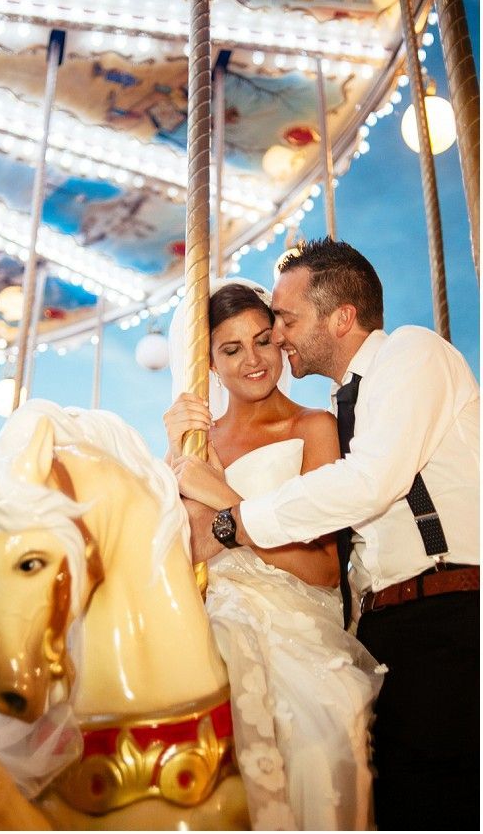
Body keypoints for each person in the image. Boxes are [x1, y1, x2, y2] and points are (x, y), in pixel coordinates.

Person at [172, 241, 479, 832]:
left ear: (340, 317)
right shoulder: (346, 408)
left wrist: (232, 519)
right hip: (383, 624)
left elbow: (368, 483)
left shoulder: (411, 355)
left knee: (435, 798)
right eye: (235, 346)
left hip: (446, 604)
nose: (278, 338)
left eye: (284, 322)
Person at [165, 279, 385, 831]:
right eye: (231, 350)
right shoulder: (199, 444)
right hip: (213, 608)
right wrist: (174, 457)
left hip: (295, 619)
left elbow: (322, 569)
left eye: (263, 341)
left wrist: (222, 499)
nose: (254, 360)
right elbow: (184, 551)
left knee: (320, 727)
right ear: (209, 365)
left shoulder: (312, 427)